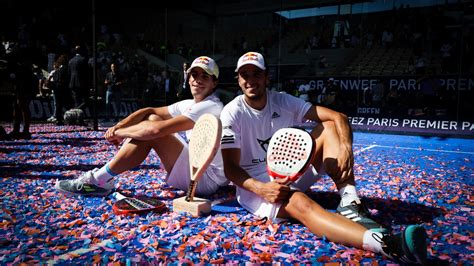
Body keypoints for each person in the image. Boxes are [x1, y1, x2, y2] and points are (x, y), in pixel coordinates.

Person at [220, 52, 427, 264]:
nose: (250, 79)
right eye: (244, 75)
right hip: (255, 186)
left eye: (256, 73)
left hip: (290, 171)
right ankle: (390, 245)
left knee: (329, 127)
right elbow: (230, 167)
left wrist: (346, 146)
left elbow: (338, 117)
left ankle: (349, 201)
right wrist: (261, 188)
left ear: (267, 77)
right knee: (303, 205)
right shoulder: (232, 112)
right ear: (238, 79)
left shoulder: (281, 100)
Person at [55, 56, 229, 197]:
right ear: (188, 78)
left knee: (153, 129)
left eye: (204, 76)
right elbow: (149, 110)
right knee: (153, 117)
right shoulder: (191, 103)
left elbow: (156, 130)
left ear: (214, 83)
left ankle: (98, 181)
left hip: (204, 180)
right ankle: (101, 179)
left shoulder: (211, 106)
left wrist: (121, 133)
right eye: (194, 75)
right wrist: (119, 125)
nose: (198, 80)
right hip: (200, 171)